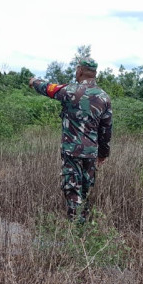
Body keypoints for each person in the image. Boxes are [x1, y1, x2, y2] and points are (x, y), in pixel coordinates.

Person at [29, 57, 113, 221]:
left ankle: (76, 228)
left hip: (72, 151)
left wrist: (33, 81)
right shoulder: (104, 97)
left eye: (76, 70)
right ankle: (83, 223)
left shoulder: (68, 90)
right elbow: (106, 130)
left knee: (72, 188)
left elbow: (47, 88)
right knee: (85, 189)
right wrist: (103, 154)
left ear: (80, 71)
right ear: (94, 73)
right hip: (91, 152)